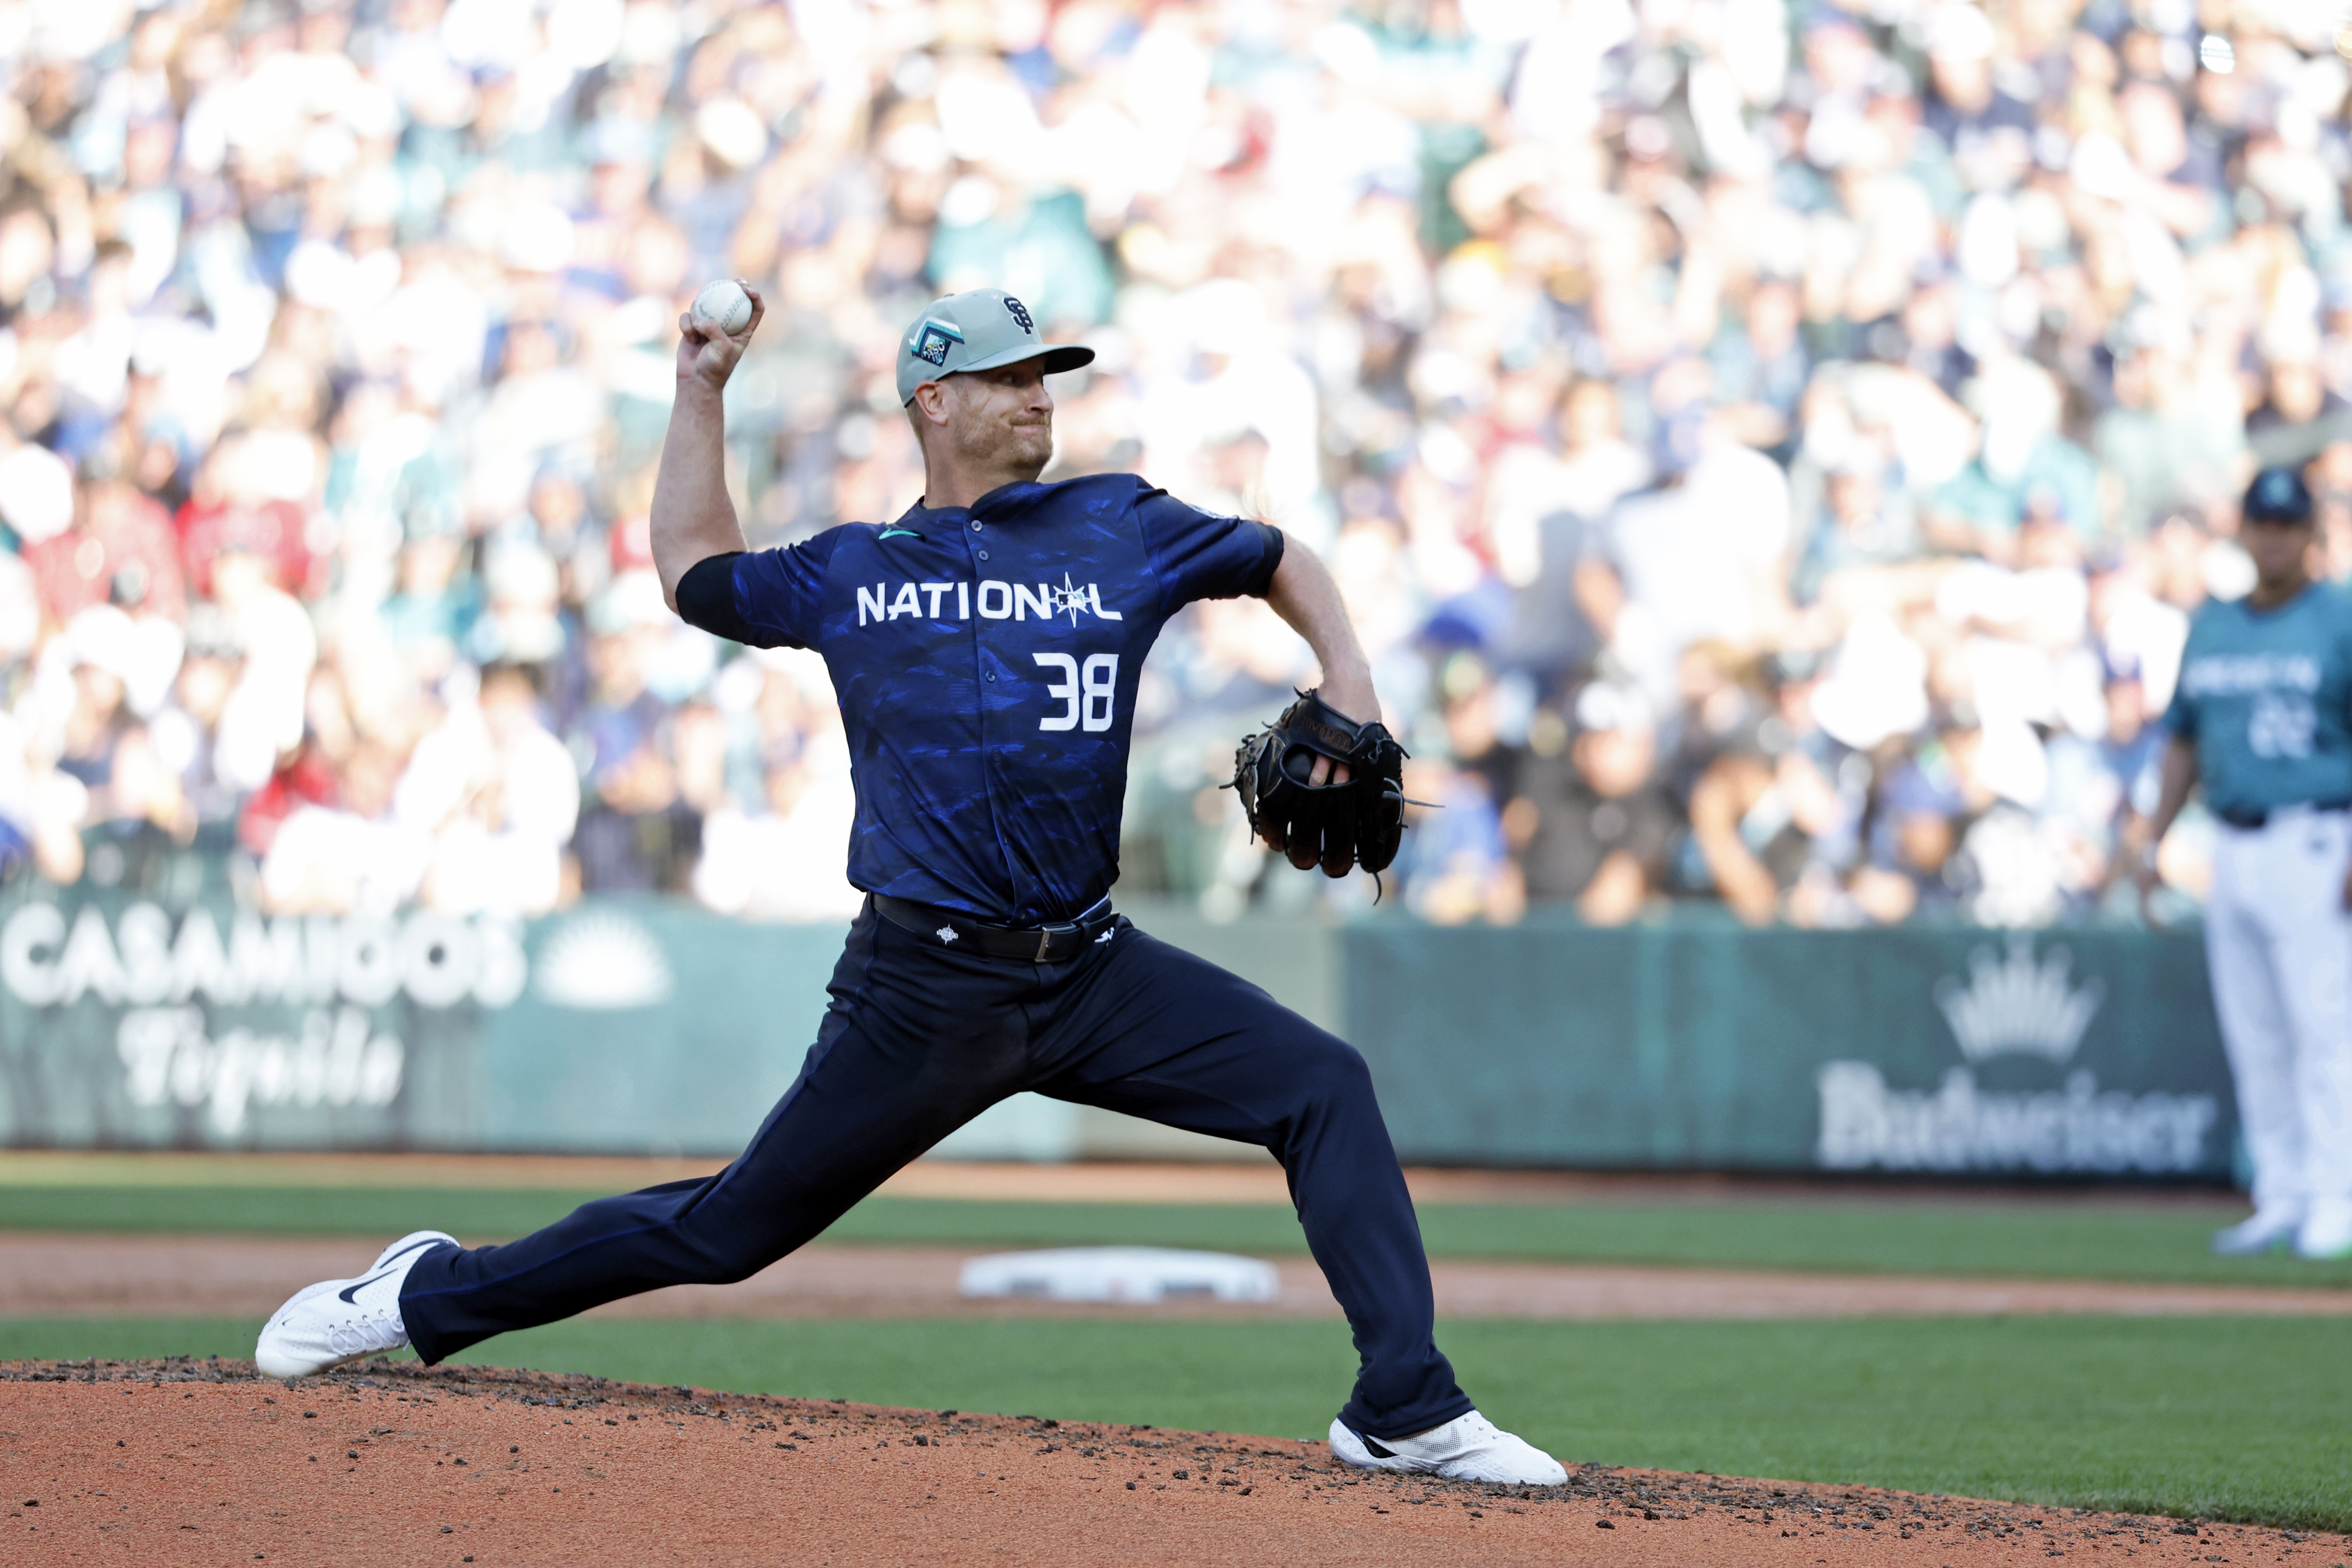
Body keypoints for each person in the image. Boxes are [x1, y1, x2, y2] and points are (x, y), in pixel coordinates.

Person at [255, 285, 1566, 1485]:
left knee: (1319, 1084)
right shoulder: (853, 569)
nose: (1039, 394)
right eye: (1007, 376)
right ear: (932, 402)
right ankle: (428, 1292)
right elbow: (690, 572)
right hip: (924, 988)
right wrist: (701, 389)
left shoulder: (1121, 521)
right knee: (726, 1230)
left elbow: (1279, 554)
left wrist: (1351, 680)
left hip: (1095, 968)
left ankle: (1402, 1400)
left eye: (1047, 373)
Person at [2139, 467, 2352, 1261]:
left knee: (2324, 1026)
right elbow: (2184, 738)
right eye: (2263, 525)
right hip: (2231, 839)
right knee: (2256, 1031)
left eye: (2288, 525)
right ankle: (2283, 1193)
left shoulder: (2340, 617)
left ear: (2311, 536)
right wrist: (2153, 838)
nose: (2274, 537)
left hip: (2318, 835)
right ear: (2245, 533)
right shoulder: (2214, 623)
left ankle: (2336, 1195)